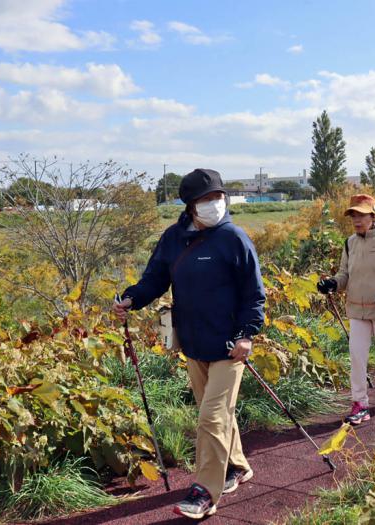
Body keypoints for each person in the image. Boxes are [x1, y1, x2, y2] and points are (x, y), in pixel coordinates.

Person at [113, 168, 265, 520]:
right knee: (218, 415)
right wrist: (131, 299)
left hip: (231, 347)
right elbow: (154, 280)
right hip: (194, 345)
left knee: (211, 417)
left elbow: (254, 294)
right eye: (206, 199)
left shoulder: (235, 239)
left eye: (218, 197)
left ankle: (204, 493)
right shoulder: (173, 239)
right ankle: (237, 467)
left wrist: (247, 335)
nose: (215, 204)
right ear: (190, 206)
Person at [317, 194, 375, 425]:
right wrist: (333, 283)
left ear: (374, 216)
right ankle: (360, 403)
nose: (357, 220)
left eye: (361, 215)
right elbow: (344, 275)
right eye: (353, 216)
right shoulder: (350, 243)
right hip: (357, 311)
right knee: (357, 357)